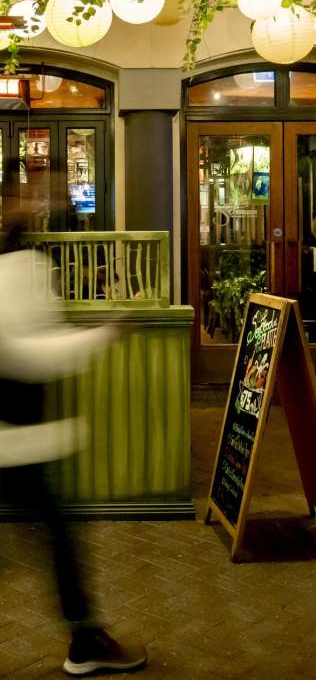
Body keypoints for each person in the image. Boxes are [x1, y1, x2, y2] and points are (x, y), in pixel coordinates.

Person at [0, 167, 147, 677]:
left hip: (18, 438)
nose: (44, 201)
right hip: (14, 440)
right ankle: (85, 637)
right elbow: (26, 354)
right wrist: (102, 335)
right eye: (32, 193)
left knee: (54, 536)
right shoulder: (17, 264)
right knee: (58, 535)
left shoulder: (22, 259)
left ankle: (85, 635)